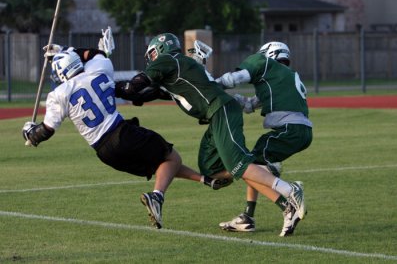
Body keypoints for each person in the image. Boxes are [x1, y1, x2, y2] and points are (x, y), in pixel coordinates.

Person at [21, 38, 228, 230]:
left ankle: (205, 180)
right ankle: (156, 197)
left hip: (104, 152)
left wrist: (30, 133)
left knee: (162, 163)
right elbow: (95, 53)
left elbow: (46, 131)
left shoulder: (58, 94)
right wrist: (65, 49)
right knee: (171, 157)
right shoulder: (99, 68)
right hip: (121, 133)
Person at [116, 33, 307, 236]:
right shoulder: (177, 68)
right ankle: (270, 195)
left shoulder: (169, 59)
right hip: (215, 115)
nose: (151, 58)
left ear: (161, 49)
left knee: (238, 165)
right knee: (212, 169)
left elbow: (135, 85)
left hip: (221, 110)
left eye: (152, 53)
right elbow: (145, 93)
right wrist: (119, 92)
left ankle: (288, 190)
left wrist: (110, 87)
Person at [216, 41, 313, 236]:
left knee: (247, 166)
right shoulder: (283, 79)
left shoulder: (267, 65)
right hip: (299, 131)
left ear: (269, 55)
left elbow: (235, 78)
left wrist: (213, 85)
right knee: (254, 167)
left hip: (289, 129)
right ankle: (248, 216)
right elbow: (251, 104)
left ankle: (288, 199)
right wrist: (233, 99)